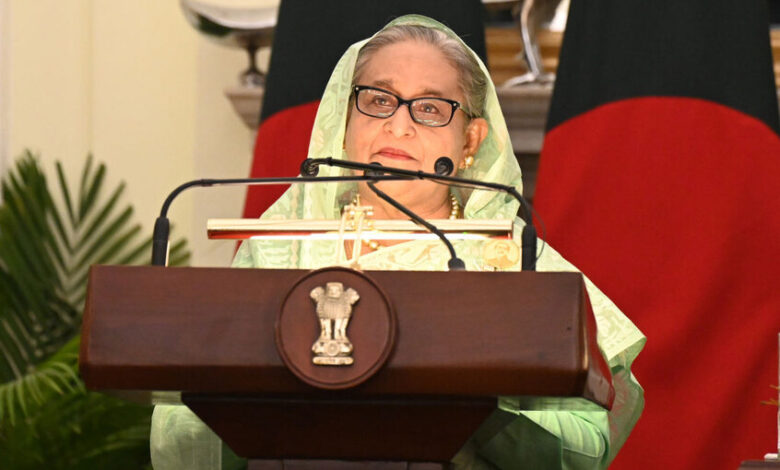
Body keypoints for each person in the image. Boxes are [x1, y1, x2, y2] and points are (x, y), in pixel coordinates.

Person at [151, 15, 645, 470]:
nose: (399, 124)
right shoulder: (281, 245)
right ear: (346, 121)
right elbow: (177, 437)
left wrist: (476, 403)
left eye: (429, 108)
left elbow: (584, 448)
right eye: (379, 100)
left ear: (470, 141)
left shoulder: (516, 262)